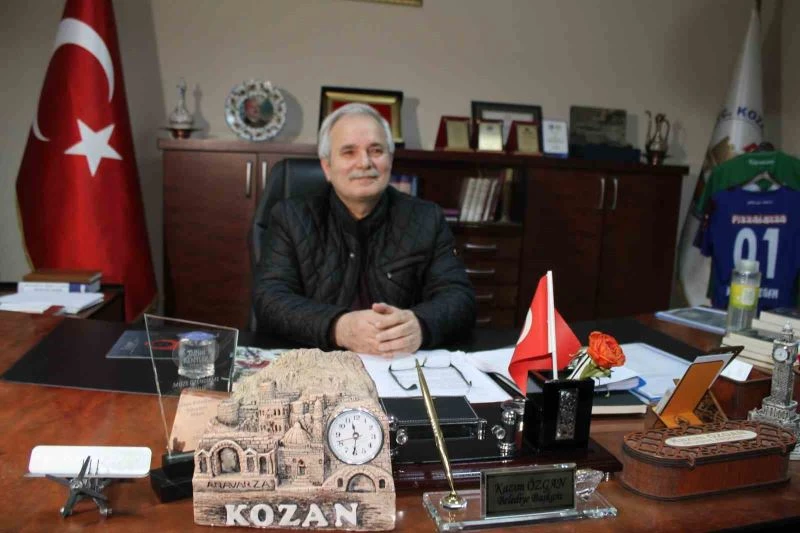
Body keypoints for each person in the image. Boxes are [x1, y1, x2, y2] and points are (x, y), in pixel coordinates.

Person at [253, 103, 475, 356]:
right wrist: (339, 327)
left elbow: (459, 298)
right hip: (317, 363)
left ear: (390, 160)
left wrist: (420, 324)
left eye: (376, 150)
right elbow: (269, 299)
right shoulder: (291, 217)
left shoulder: (426, 218)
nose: (365, 162)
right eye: (349, 152)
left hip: (398, 365)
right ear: (327, 167)